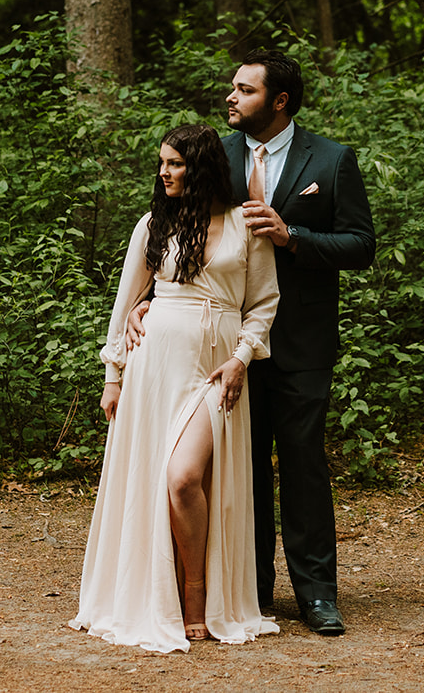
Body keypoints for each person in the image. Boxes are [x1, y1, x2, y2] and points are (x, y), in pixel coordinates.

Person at [130, 50, 374, 636]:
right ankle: (250, 588)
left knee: (302, 463)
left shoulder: (332, 160)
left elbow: (362, 246)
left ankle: (317, 595)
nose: (231, 98)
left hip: (300, 342)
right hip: (219, 352)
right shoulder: (218, 154)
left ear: (279, 100)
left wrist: (294, 237)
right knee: (236, 470)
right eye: (233, 89)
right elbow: (178, 228)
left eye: (244, 90)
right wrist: (152, 298)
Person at [69, 123, 281, 653]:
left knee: (184, 477)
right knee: (164, 480)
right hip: (154, 366)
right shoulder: (153, 225)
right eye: (162, 163)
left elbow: (263, 305)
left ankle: (199, 592)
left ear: (202, 167)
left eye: (175, 164)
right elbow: (127, 304)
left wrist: (239, 360)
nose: (164, 171)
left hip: (217, 368)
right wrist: (112, 374)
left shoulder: (244, 225)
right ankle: (175, 593)